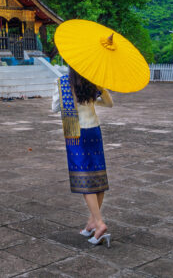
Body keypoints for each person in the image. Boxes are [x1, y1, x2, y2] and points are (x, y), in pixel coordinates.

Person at [52, 66, 112, 246]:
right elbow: (109, 103)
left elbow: (54, 107)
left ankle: (100, 224)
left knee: (85, 180)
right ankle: (92, 222)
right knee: (97, 176)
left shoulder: (64, 83)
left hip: (76, 133)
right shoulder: (94, 82)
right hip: (94, 130)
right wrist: (96, 93)